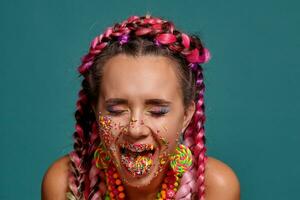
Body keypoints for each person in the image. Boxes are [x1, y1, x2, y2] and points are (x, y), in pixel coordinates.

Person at [42, 15, 240, 200]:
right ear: (95, 110)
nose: (135, 129)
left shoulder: (217, 188)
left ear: (187, 115)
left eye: (157, 111)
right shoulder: (63, 184)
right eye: (116, 110)